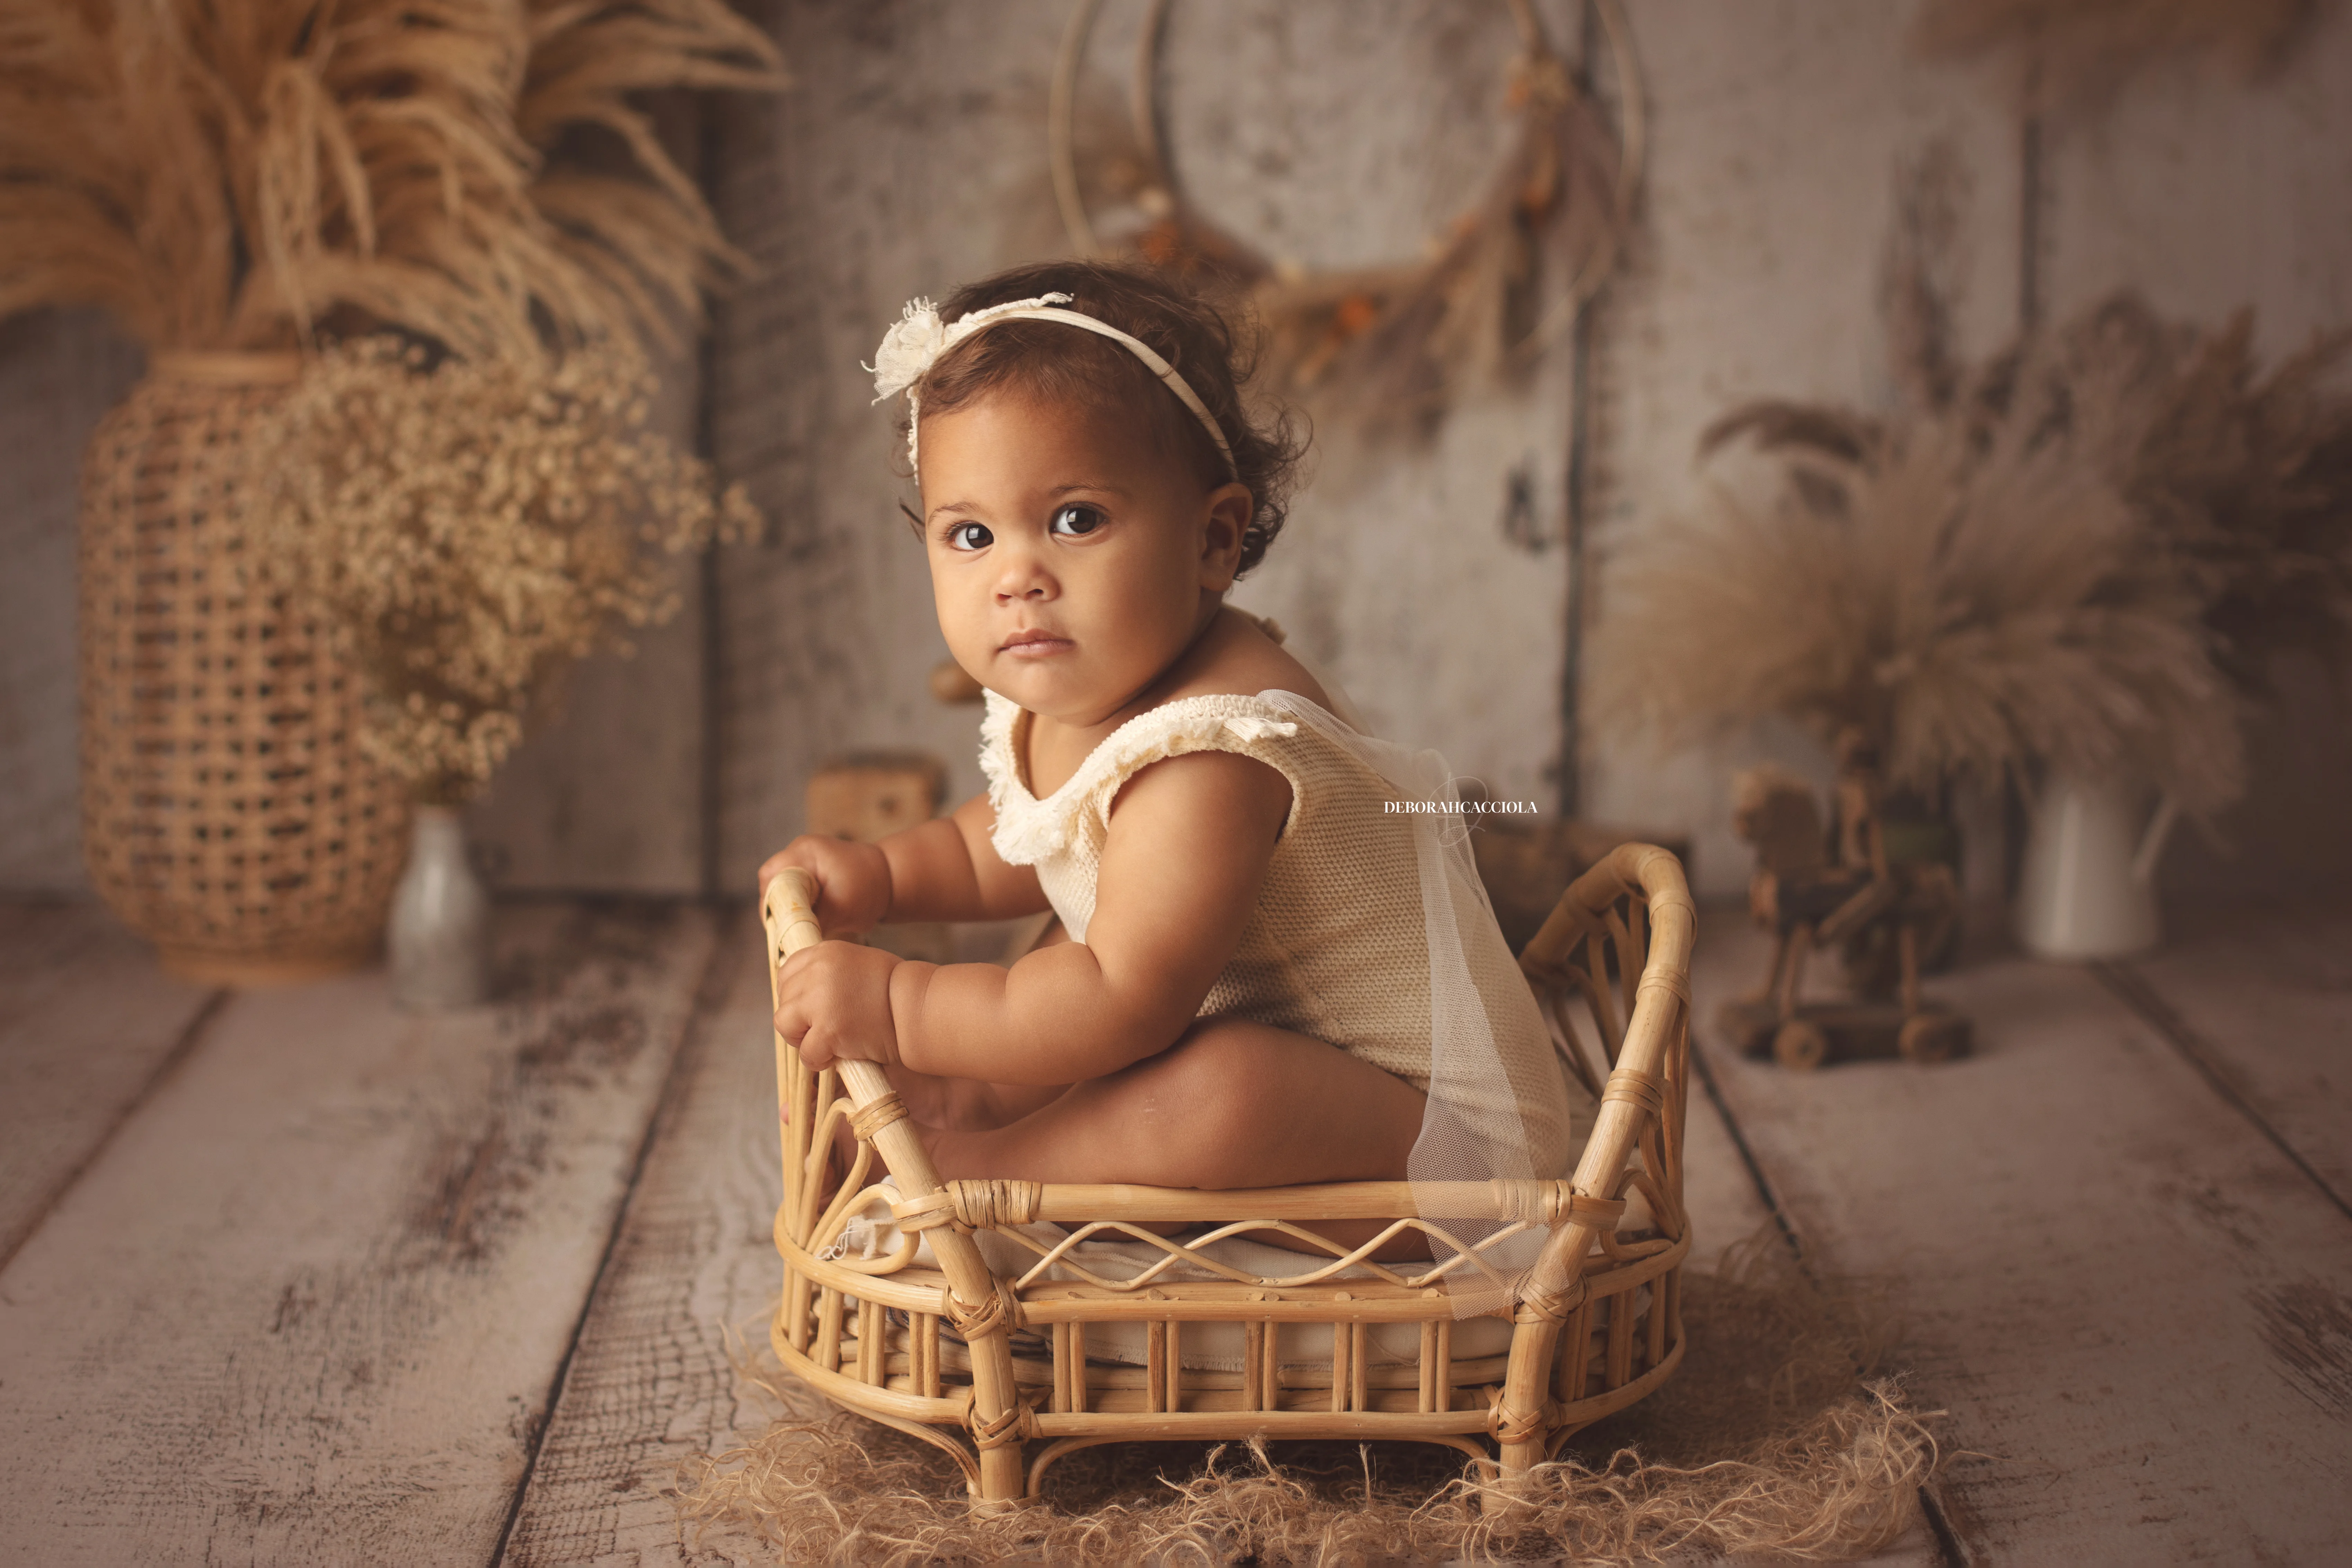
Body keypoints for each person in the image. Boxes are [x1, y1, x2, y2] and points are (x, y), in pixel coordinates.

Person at [760, 260, 1585, 1256]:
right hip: (1313, 1073)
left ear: (1213, 539)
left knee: (1207, 1073)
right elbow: (1024, 835)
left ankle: (985, 1169)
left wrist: (899, 1000)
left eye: (1076, 519)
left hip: (1443, 1153)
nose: (1018, 576)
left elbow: (1120, 1003)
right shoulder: (1094, 679)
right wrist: (886, 873)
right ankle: (975, 1099)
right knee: (1070, 943)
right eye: (970, 534)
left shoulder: (1212, 746)